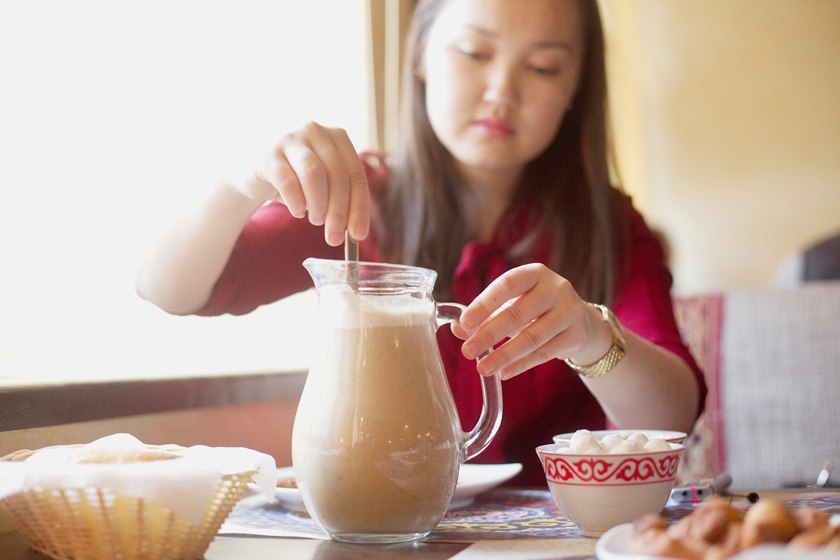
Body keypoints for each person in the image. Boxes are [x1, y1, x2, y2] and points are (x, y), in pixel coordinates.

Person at [136, 0, 706, 486]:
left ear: (576, 87)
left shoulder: (605, 225)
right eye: (475, 53)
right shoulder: (360, 199)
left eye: (543, 66)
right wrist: (239, 184)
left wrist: (587, 333)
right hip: (374, 516)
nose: (501, 91)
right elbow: (169, 289)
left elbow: (672, 415)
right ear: (420, 56)